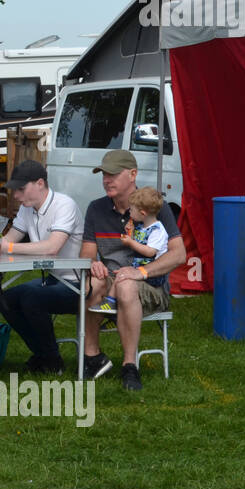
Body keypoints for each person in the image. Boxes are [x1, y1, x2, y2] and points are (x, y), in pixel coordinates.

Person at [79, 150, 187, 391]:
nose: (107, 179)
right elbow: (86, 252)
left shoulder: (154, 206)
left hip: (149, 284)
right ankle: (92, 357)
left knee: (127, 284)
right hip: (111, 280)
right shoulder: (96, 209)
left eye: (113, 174)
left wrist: (142, 272)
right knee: (92, 282)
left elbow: (179, 254)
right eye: (104, 174)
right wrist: (92, 263)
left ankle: (129, 365)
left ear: (133, 174)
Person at [0, 160, 85, 375]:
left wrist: (7, 246)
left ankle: (51, 359)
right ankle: (44, 354)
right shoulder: (27, 209)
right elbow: (8, 241)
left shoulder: (65, 205)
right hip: (54, 279)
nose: (16, 195)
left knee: (31, 297)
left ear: (40, 183)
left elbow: (52, 247)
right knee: (4, 300)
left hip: (77, 283)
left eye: (21, 189)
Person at [89, 186, 167, 313]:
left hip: (153, 275)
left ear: (142, 213)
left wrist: (130, 243)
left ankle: (110, 303)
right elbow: (139, 242)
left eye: (132, 210)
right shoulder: (143, 227)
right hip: (141, 269)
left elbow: (150, 251)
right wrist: (130, 234)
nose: (129, 212)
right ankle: (112, 307)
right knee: (123, 273)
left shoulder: (157, 230)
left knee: (124, 276)